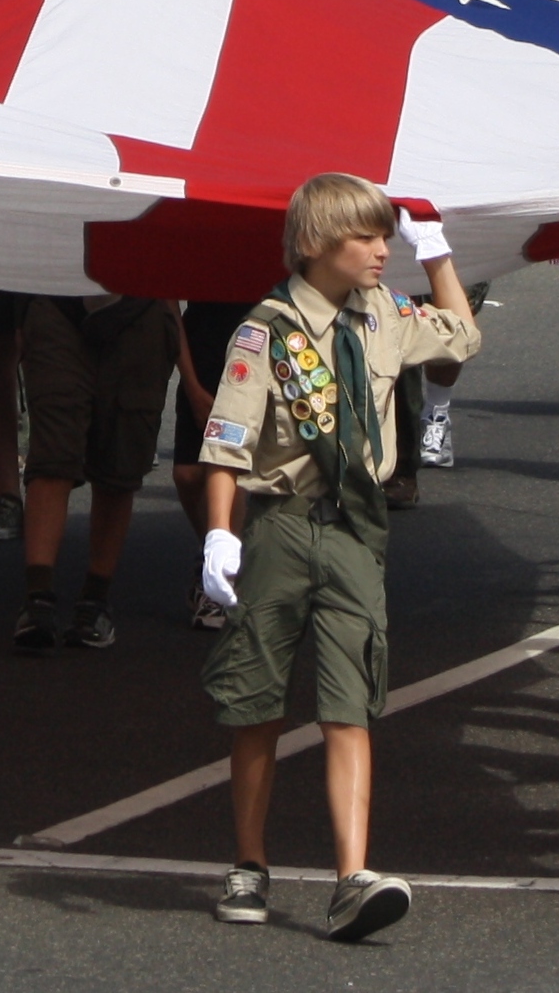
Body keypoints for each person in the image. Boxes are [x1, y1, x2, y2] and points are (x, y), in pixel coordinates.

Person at [192, 175, 480, 940]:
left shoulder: (383, 315)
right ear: (318, 242)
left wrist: (438, 251)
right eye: (367, 236)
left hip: (356, 528)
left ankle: (353, 876)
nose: (384, 250)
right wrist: (220, 533)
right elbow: (226, 445)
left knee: (350, 701)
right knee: (256, 701)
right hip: (281, 526)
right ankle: (248, 865)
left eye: (387, 235)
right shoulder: (267, 331)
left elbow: (462, 334)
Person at [8, 292, 186, 655]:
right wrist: (20, 314)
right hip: (55, 298)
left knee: (120, 461)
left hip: (140, 305)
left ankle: (95, 600)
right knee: (53, 455)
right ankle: (37, 600)